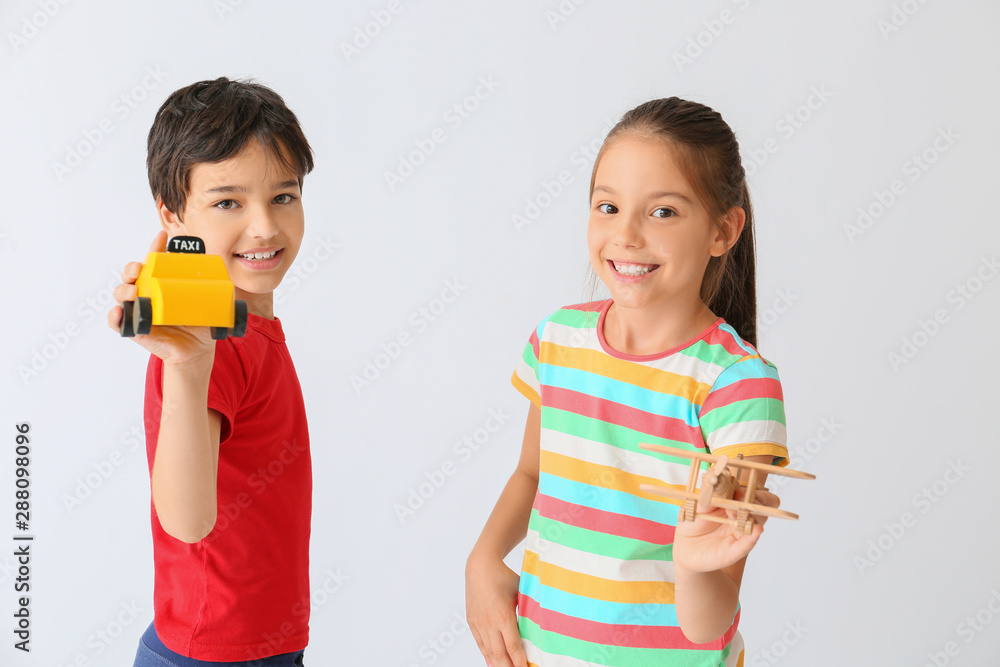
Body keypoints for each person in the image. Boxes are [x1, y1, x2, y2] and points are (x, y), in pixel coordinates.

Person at [466, 97, 789, 667]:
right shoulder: (557, 339)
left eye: (663, 212)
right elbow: (530, 473)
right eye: (608, 206)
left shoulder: (737, 387)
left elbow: (709, 622)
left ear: (723, 230)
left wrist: (693, 561)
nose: (627, 235)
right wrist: (483, 560)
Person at [108, 77, 314, 666]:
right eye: (228, 202)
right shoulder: (207, 347)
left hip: (257, 645)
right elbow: (187, 519)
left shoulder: (250, 326)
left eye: (284, 196)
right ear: (171, 214)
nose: (265, 227)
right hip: (214, 654)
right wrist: (190, 362)